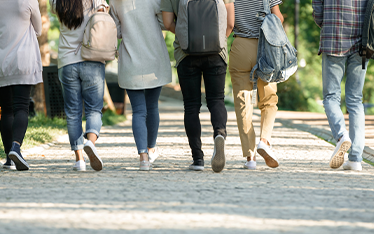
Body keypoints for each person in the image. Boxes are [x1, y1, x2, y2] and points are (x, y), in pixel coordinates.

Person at [161, 0, 235, 172]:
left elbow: (167, 23)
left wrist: (186, 35)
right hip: (217, 52)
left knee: (191, 106)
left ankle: (198, 159)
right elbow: (230, 23)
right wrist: (215, 40)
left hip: (186, 54)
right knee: (216, 99)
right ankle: (219, 133)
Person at [109, 0, 172, 171]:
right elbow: (165, 23)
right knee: (152, 107)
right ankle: (151, 149)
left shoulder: (115, 2)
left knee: (138, 110)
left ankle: (143, 157)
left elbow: (117, 31)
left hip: (131, 59)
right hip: (154, 58)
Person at [50, 0, 109, 171]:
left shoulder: (57, 2)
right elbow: (104, 18)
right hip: (92, 59)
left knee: (73, 113)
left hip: (67, 62)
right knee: (94, 109)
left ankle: (79, 160)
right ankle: (90, 142)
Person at [313, 0, 368, 171]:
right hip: (362, 41)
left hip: (333, 37)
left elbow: (317, 6)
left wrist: (325, 22)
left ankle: (341, 135)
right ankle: (356, 159)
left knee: (331, 96)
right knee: (355, 100)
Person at [228, 0, 284, 170]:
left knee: (243, 102)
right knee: (268, 99)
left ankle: (250, 157)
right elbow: (278, 17)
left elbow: (229, 22)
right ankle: (264, 141)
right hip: (265, 47)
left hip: (240, 46)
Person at [0, 0, 43, 171]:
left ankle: (9, 160)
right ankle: (16, 147)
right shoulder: (28, 0)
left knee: (6, 109)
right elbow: (39, 30)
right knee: (21, 108)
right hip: (23, 60)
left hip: (2, 61)